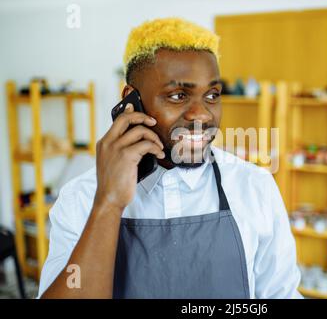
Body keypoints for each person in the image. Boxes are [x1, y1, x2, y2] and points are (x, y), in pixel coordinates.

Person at [38, 17, 301, 299]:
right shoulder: (82, 197)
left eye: (212, 95)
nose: (202, 114)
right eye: (178, 95)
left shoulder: (254, 187)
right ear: (131, 101)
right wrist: (108, 204)